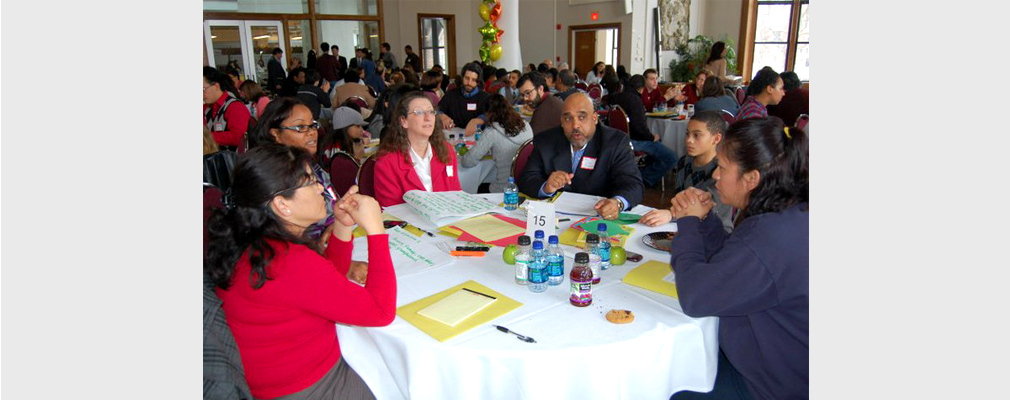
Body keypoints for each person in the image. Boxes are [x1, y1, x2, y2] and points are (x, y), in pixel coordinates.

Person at [206, 143, 393, 400]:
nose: (320, 187)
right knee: (396, 379)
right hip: (310, 387)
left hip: (273, 381)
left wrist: (342, 225)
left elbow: (325, 284)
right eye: (309, 181)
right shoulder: (288, 261)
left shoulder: (255, 243)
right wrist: (375, 230)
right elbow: (381, 312)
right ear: (282, 204)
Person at [667, 117, 808, 400]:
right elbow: (734, 261)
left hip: (770, 386)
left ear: (751, 179)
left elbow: (696, 297)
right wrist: (706, 220)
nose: (715, 176)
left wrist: (690, 224)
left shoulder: (768, 235)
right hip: (790, 369)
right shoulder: (789, 213)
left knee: (663, 384)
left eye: (722, 168)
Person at [518, 93, 644, 219]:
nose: (575, 125)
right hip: (553, 218)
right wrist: (546, 187)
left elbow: (633, 184)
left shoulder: (615, 142)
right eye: (568, 119)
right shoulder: (546, 141)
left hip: (598, 220)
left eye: (582, 117)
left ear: (594, 118)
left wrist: (618, 203)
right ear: (561, 121)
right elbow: (526, 179)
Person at [248, 97, 341, 241]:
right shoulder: (272, 179)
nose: (311, 132)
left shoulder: (312, 167)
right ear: (276, 134)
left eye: (312, 125)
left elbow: (334, 204)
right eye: (300, 127)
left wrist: (336, 224)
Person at [641, 110, 733, 232]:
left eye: (697, 135)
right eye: (687, 134)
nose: (689, 140)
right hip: (682, 224)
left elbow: (707, 208)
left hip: (714, 231)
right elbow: (679, 200)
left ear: (716, 139)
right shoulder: (684, 162)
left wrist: (671, 214)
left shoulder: (721, 171)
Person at [374, 92, 462, 207]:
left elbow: (457, 196)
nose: (428, 118)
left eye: (431, 112)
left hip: (448, 222)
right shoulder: (387, 162)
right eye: (419, 112)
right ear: (404, 121)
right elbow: (391, 213)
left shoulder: (447, 150)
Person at [606, 74, 678, 188]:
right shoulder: (635, 101)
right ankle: (642, 178)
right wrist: (651, 137)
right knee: (671, 157)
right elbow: (639, 128)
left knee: (657, 146)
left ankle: (637, 174)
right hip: (634, 141)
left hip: (617, 139)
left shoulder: (617, 97)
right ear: (641, 88)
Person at [460, 94, 534, 193]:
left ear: (488, 113)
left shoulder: (492, 132)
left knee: (477, 185)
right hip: (525, 184)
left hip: (503, 189)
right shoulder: (526, 126)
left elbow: (467, 162)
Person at [436, 62, 490, 137]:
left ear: (478, 82)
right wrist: (442, 116)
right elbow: (436, 110)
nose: (469, 83)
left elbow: (490, 115)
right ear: (462, 77)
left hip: (477, 138)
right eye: (467, 78)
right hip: (453, 136)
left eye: (473, 80)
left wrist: (477, 121)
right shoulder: (451, 94)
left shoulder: (485, 97)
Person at [204, 67, 252, 148]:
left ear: (216, 86)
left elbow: (238, 138)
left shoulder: (235, 107)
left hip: (230, 158)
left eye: (203, 89)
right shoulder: (207, 108)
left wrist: (207, 137)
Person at [518, 71, 564, 136]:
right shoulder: (550, 99)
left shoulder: (543, 110)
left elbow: (530, 138)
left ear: (540, 89)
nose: (525, 98)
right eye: (522, 95)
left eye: (528, 93)